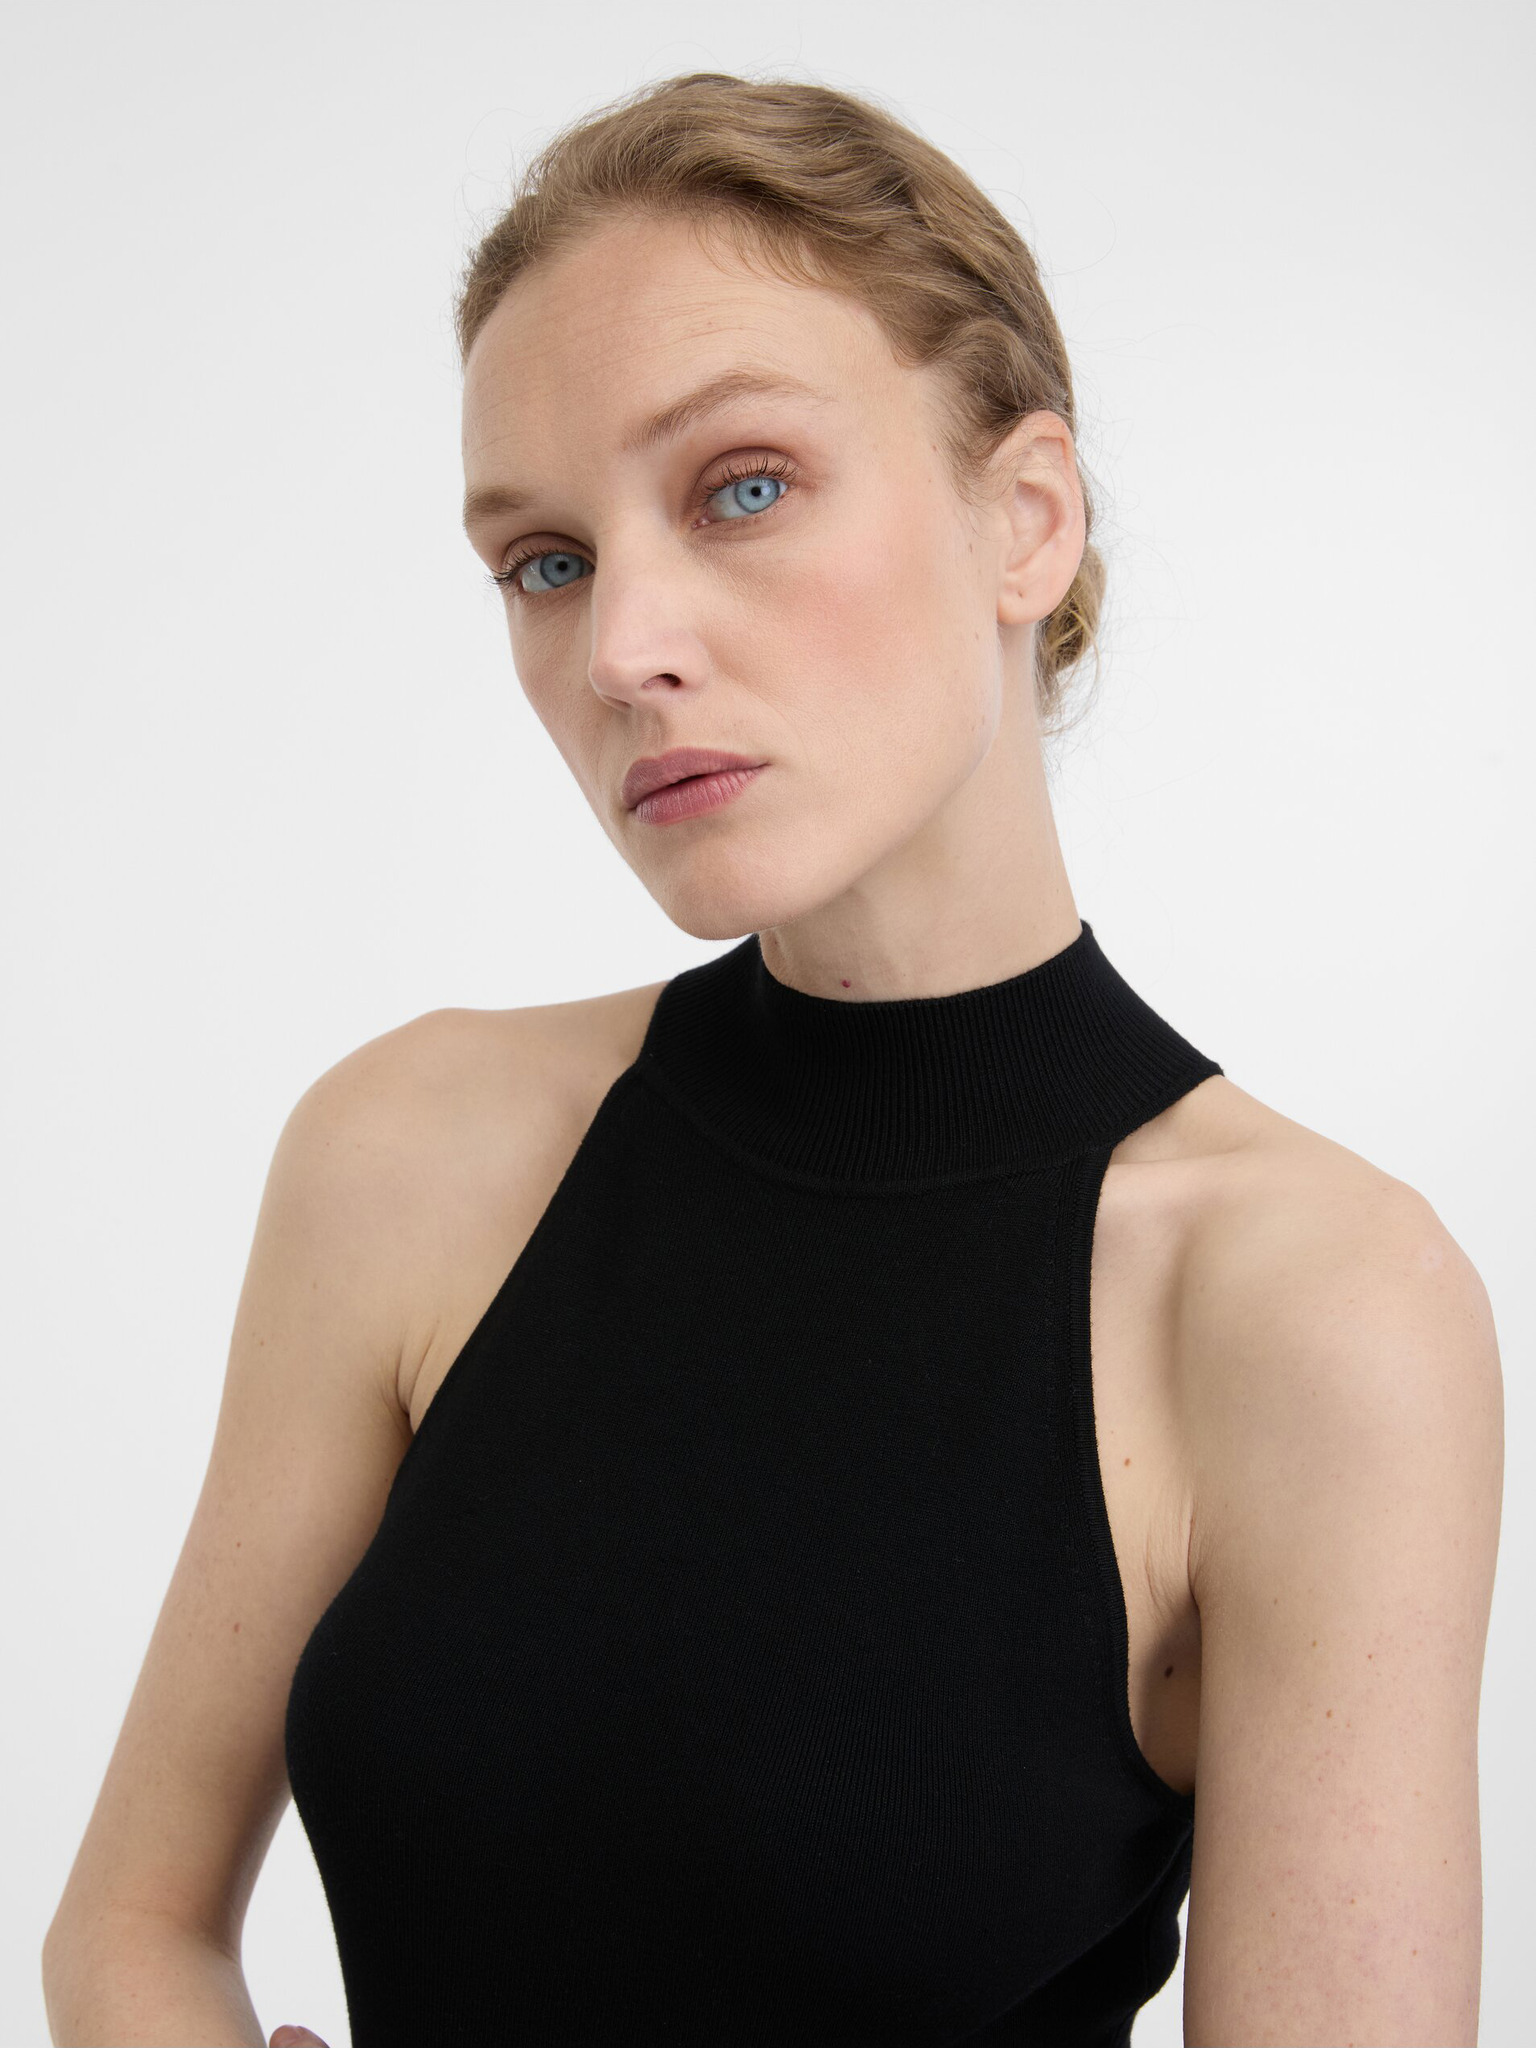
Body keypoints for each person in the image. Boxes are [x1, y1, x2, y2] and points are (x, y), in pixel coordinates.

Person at [43, 71, 1502, 2048]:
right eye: (544, 559)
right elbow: (130, 1929)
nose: (620, 646)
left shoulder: (1315, 1304)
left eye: (742, 487)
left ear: (1026, 519)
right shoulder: (408, 1156)